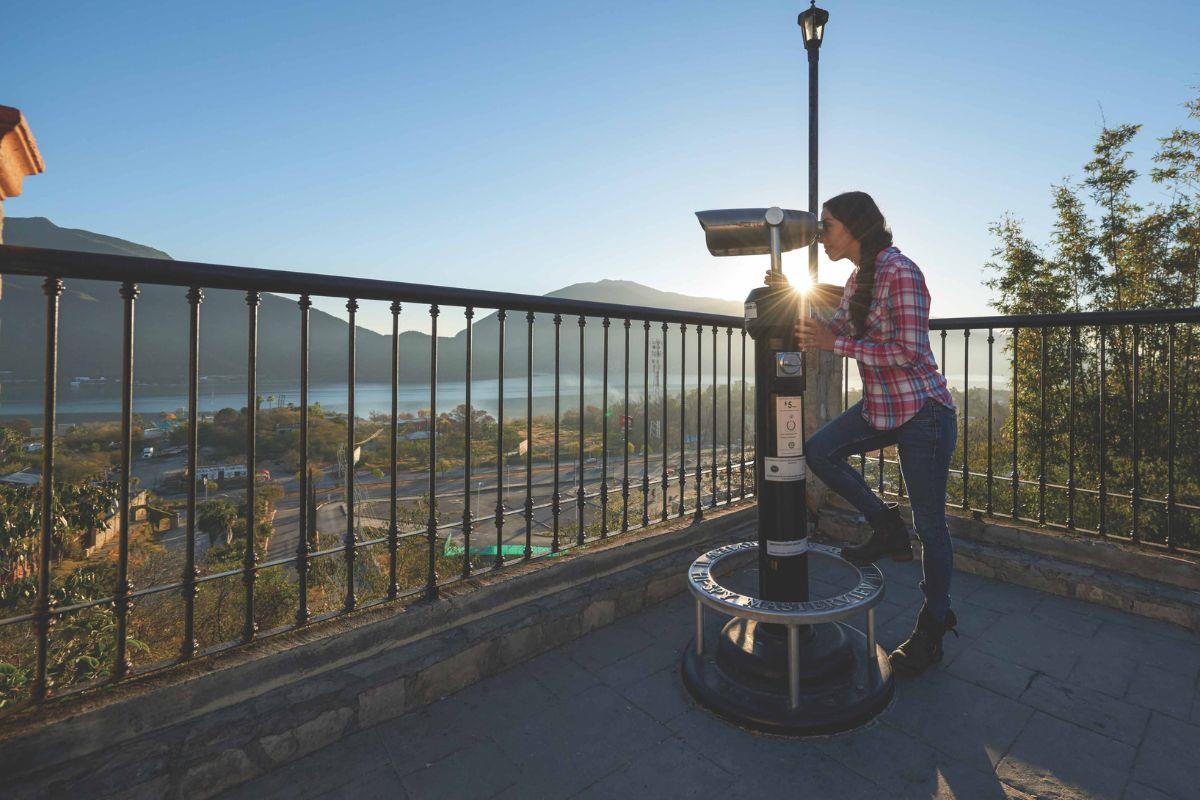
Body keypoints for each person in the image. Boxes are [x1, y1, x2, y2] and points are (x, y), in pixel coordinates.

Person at [764, 191, 958, 675]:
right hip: (882, 407)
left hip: (923, 412)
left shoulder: (901, 271)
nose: (820, 236)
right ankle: (886, 524)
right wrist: (787, 293)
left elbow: (910, 351)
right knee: (820, 451)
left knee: (932, 527)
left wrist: (838, 344)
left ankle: (934, 624)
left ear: (853, 225)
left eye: (825, 226)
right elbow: (833, 323)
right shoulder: (858, 277)